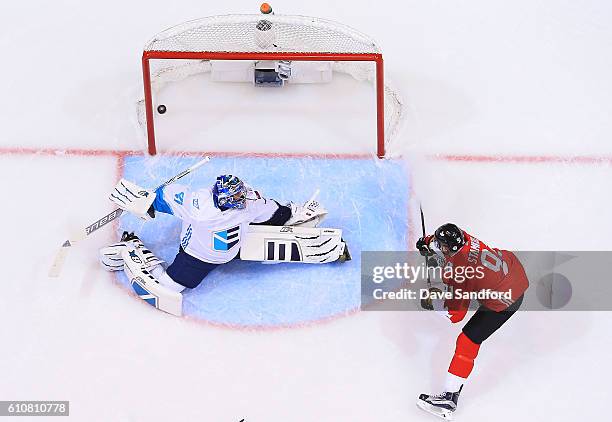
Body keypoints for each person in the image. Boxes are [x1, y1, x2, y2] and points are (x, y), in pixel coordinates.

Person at [98, 174, 341, 315]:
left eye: (240, 194)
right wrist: (147, 201)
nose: (240, 199)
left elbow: (272, 210)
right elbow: (167, 197)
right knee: (169, 288)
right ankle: (132, 248)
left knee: (264, 232)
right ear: (221, 197)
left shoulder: (249, 200)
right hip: (197, 256)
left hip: (237, 246)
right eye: (234, 197)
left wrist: (293, 214)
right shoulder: (198, 205)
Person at [415, 223, 529, 420]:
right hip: (513, 272)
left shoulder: (459, 272)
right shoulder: (466, 239)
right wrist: (429, 242)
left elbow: (455, 315)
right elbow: (449, 243)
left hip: (506, 298)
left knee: (467, 341)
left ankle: (449, 400)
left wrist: (432, 303)